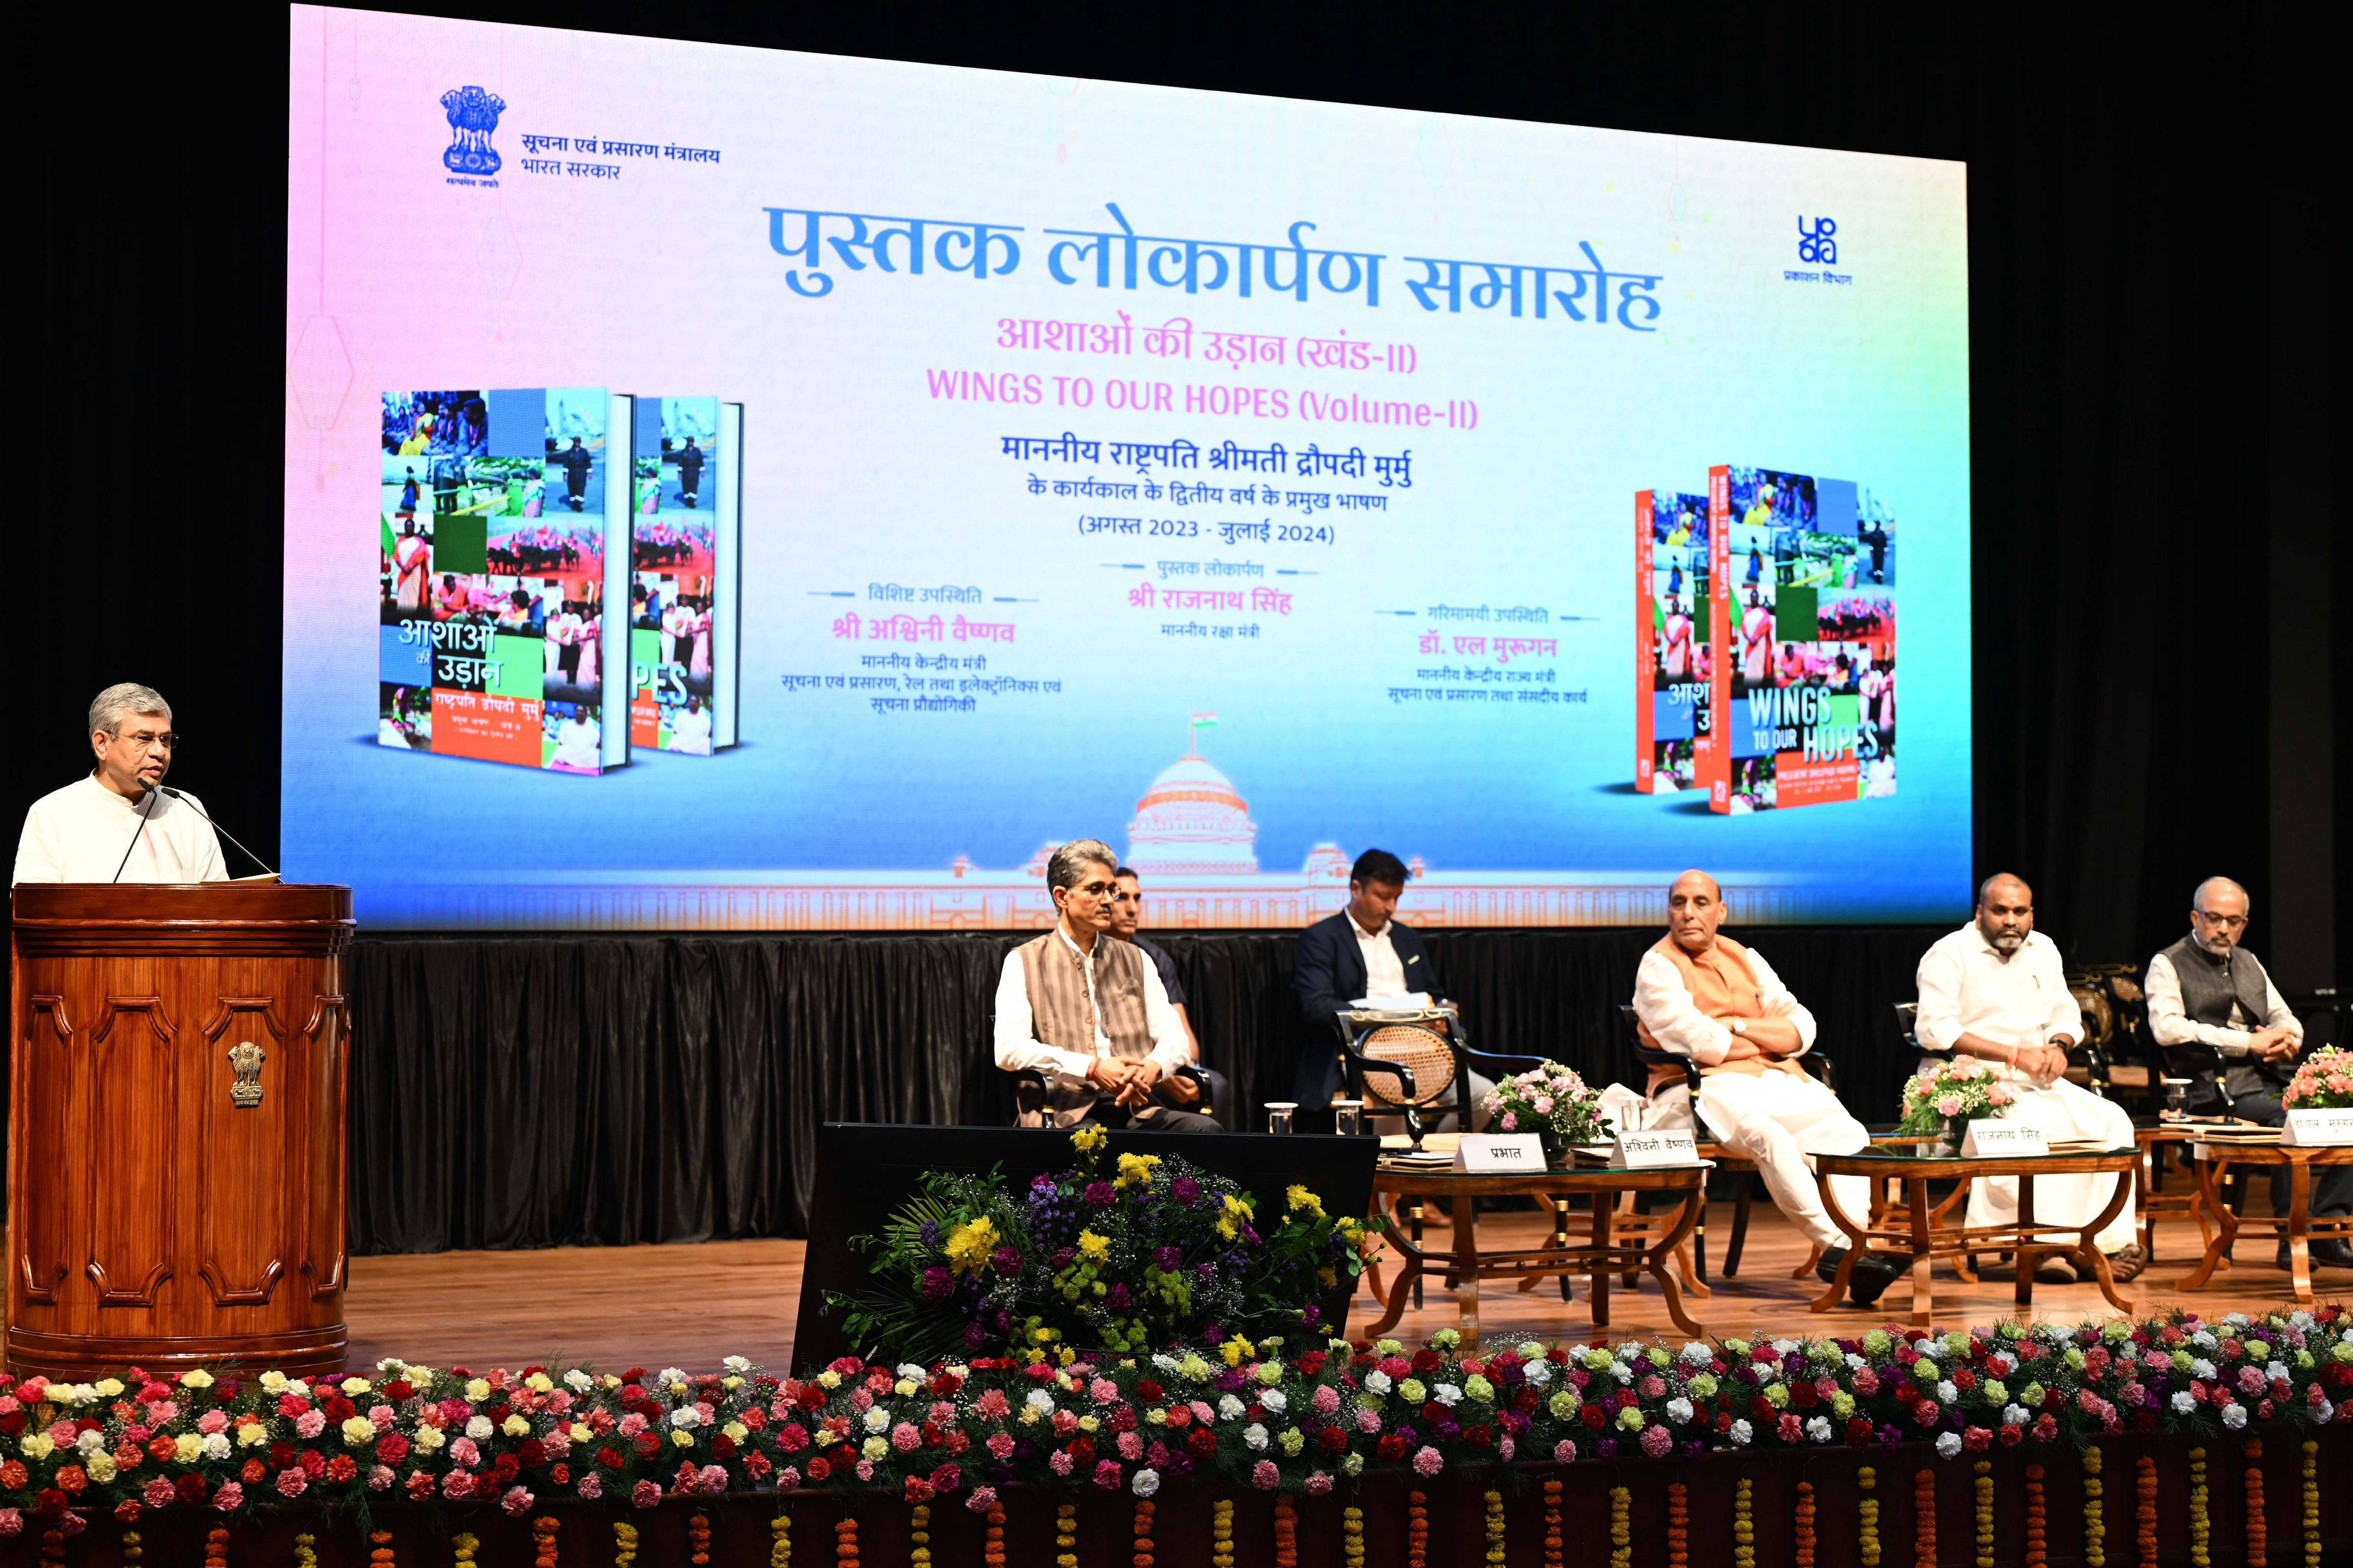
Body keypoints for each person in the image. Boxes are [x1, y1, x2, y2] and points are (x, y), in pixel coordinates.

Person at [1631, 870, 1899, 1306]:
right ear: (1669, 911)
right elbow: (1700, 1043)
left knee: (1845, 1132)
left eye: (1701, 903)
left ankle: (1853, 1243)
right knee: (1767, 1134)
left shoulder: (1747, 957)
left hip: (1773, 1079)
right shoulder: (1658, 965)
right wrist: (1764, 1038)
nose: (1689, 913)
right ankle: (1840, 1247)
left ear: (1721, 911)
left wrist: (1737, 1026)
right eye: (1679, 903)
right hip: (1698, 1088)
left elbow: (1801, 1027)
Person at [1914, 874, 2145, 1281]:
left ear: (2031, 915)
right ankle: (2045, 1247)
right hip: (1970, 1081)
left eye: (2019, 912)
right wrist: (2014, 1055)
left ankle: (2100, 1242)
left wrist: (2057, 1046)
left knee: (2113, 1121)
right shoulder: (1949, 953)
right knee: (2038, 1126)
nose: (2010, 920)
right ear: (1980, 913)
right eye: (2000, 911)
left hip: (2035, 1077)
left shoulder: (2043, 949)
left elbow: (2066, 1015)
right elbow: (1935, 1030)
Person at [2146, 877, 2353, 1269]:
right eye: (2214, 919)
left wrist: (2286, 1039)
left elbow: (2284, 1016)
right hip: (2210, 1088)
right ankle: (2291, 1236)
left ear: (2244, 923)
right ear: (2195, 918)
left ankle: (2328, 1224)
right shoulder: (2168, 963)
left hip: (2266, 1083)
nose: (2224, 929)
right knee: (2289, 1120)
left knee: (2346, 1116)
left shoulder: (2248, 961)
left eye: (2234, 921)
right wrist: (2247, 1043)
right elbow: (2167, 1029)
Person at [994, 839, 1219, 1132]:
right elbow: (1009, 1050)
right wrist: (1092, 1067)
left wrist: (1153, 1067)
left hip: (1137, 1106)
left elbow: (1175, 1037)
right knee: (1089, 1143)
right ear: (1062, 897)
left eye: (1111, 890)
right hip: (1066, 1111)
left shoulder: (1137, 958)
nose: (1109, 900)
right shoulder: (1024, 961)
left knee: (1205, 1131)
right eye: (1095, 889)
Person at [1291, 849, 1487, 1128]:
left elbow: (1433, 992)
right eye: (1383, 897)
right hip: (1363, 1050)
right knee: (1397, 1093)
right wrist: (1389, 1018)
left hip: (1420, 1048)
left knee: (1485, 1095)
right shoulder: (1321, 938)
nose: (1391, 907)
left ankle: (1441, 1151)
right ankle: (1394, 1157)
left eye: (1397, 898)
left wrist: (1443, 1010)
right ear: (1355, 889)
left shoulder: (1407, 938)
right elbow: (1316, 1006)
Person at [14, 684, 227, 884]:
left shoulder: (188, 810)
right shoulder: (52, 813)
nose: (160, 752)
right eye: (144, 738)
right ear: (102, 744)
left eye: (165, 740)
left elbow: (220, 903)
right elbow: (34, 906)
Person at [1109, 866, 1229, 1118]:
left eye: (1137, 898)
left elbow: (1186, 1037)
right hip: (1115, 1068)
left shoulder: (1152, 957)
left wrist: (1175, 1067)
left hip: (1158, 1064)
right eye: (1122, 898)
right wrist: (1158, 1072)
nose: (1133, 909)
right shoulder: (1089, 955)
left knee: (1211, 1084)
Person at [1739, 590, 1773, 686]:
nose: (1754, 599)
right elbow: (1743, 628)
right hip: (1749, 645)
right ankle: (1748, 687)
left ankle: (1758, 686)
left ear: (1758, 598)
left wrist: (1756, 638)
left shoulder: (1763, 612)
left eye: (1756, 597)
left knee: (1758, 665)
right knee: (1749, 667)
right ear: (1750, 598)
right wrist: (1750, 639)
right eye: (1752, 597)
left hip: (1759, 645)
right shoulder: (1746, 612)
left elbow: (1767, 625)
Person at [1660, 596, 1693, 683]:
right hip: (1671, 646)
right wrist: (1671, 641)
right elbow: (1665, 631)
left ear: (1678, 607)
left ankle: (1679, 681)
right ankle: (1670, 682)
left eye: (1676, 606)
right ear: (1672, 607)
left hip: (1680, 646)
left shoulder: (1683, 619)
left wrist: (1677, 640)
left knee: (1679, 663)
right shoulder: (1668, 619)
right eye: (1673, 606)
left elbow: (1686, 629)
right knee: (1671, 664)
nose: (1675, 608)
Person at [556, 437, 593, 512]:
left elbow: (588, 462)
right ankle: (574, 504)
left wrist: (590, 472)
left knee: (581, 489)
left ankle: (579, 506)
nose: (577, 443)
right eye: (576, 441)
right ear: (574, 442)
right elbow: (566, 463)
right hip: (572, 473)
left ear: (580, 442)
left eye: (578, 441)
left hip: (582, 474)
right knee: (572, 489)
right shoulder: (570, 452)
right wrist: (565, 474)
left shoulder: (584, 451)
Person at [676, 436, 705, 508]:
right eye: (689, 441)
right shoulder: (684, 451)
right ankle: (688, 501)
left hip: (695, 471)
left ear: (693, 442)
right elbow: (680, 462)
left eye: (692, 441)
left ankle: (692, 502)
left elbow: (701, 461)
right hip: (686, 471)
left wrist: (702, 471)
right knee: (686, 486)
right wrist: (679, 473)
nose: (691, 442)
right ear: (688, 442)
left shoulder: (697, 451)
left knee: (694, 486)